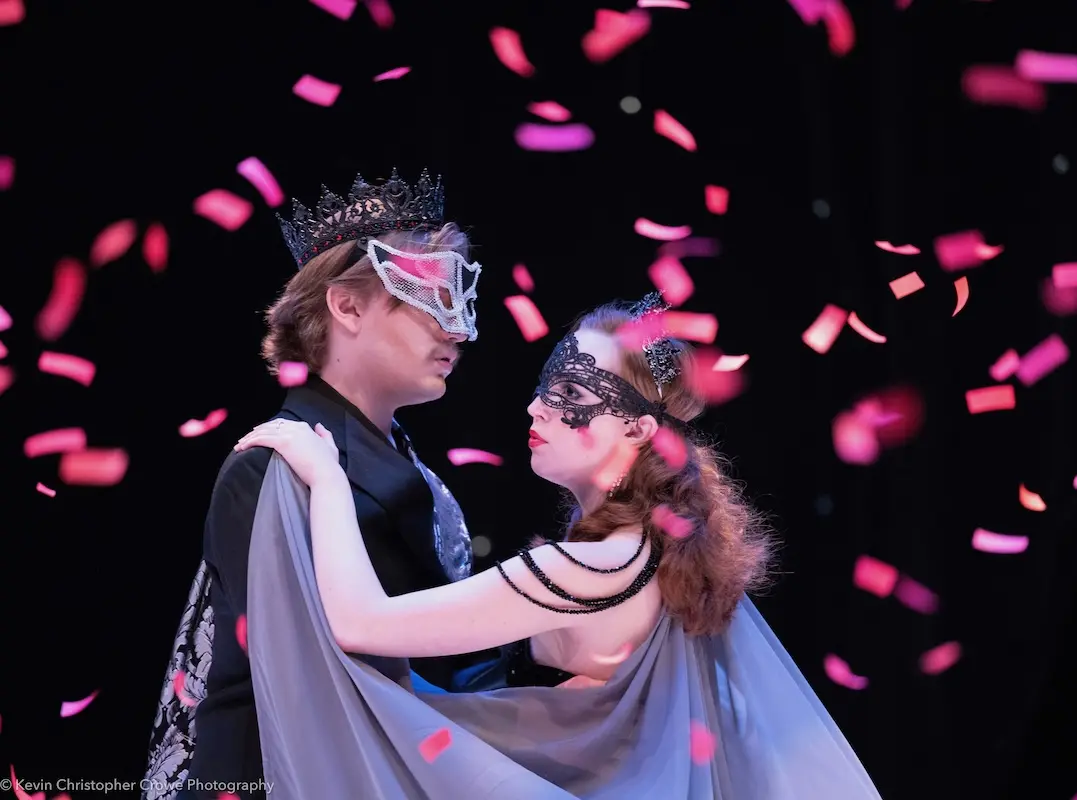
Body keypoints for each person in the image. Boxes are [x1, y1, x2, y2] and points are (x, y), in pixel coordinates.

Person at [235, 293, 884, 798]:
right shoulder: (647, 559)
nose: (536, 409)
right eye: (547, 387)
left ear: (636, 428)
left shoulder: (594, 568)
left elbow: (358, 623)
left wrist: (325, 479)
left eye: (570, 393)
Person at [142, 169, 505, 800]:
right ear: (347, 305)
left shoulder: (412, 475)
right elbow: (305, 685)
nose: (458, 330)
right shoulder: (271, 467)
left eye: (457, 300)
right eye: (428, 300)